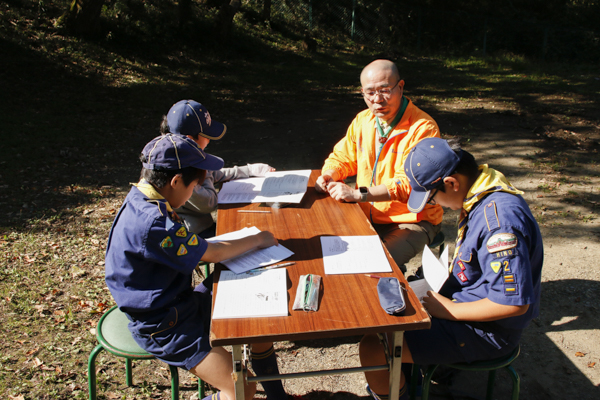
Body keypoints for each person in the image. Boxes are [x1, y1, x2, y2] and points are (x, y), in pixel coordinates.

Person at [105, 134, 290, 400]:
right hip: (165, 324)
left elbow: (194, 247)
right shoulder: (154, 223)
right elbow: (212, 252)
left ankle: (277, 397)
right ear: (176, 181)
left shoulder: (144, 196)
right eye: (194, 186)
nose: (195, 192)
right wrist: (258, 238)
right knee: (242, 390)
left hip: (180, 302)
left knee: (257, 323)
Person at [359, 137, 544, 400]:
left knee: (373, 346)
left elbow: (512, 305)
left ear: (451, 183)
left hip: (490, 331)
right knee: (390, 307)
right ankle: (407, 384)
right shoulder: (481, 191)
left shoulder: (500, 223)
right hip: (467, 303)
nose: (435, 204)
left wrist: (450, 309)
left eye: (432, 197)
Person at [315, 59, 443, 271]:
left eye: (385, 90)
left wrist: (359, 194)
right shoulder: (363, 120)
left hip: (412, 220)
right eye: (370, 93)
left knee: (374, 264)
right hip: (367, 212)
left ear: (400, 87)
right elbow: (343, 156)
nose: (377, 100)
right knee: (327, 252)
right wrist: (330, 173)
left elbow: (410, 184)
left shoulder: (423, 128)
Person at [161, 99, 275, 238]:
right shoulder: (179, 168)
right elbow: (209, 203)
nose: (209, 140)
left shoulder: (177, 153)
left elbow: (214, 174)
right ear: (190, 139)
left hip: (201, 227)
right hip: (191, 235)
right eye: (206, 136)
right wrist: (203, 167)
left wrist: (249, 170)